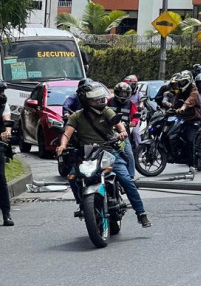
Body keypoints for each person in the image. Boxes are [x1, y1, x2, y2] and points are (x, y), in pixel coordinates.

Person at [55, 83, 151, 228]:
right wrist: (62, 145)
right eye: (95, 100)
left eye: (100, 99)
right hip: (88, 155)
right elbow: (67, 133)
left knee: (126, 179)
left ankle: (141, 213)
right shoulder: (76, 116)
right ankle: (82, 204)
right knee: (73, 177)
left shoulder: (107, 112)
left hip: (109, 152)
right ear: (85, 101)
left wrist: (123, 132)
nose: (100, 102)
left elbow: (119, 126)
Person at [170, 72, 201, 168]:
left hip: (193, 119)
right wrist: (170, 107)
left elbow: (189, 101)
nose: (182, 84)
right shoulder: (180, 92)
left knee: (189, 140)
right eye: (181, 82)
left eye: (184, 82)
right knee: (174, 135)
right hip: (182, 119)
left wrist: (183, 107)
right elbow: (175, 103)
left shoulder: (194, 92)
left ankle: (192, 165)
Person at [107, 81, 139, 177]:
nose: (123, 95)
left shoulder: (131, 104)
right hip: (109, 132)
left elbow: (135, 116)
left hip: (123, 134)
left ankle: (131, 176)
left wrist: (134, 122)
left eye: (125, 93)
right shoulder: (109, 101)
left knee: (129, 154)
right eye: (121, 93)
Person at [1, 82, 14, 226]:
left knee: (1, 178)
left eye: (3, 92)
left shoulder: (4, 105)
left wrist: (7, 132)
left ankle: (6, 214)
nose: (2, 95)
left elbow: (7, 120)